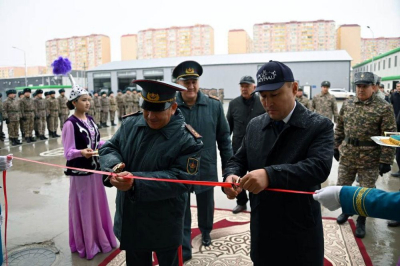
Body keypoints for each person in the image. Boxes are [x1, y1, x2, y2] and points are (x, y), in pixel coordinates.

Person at [223, 60, 334, 265]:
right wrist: (230, 176)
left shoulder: (319, 125)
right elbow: (238, 159)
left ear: (293, 88)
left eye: (275, 95)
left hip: (299, 229)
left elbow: (318, 167)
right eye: (263, 97)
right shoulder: (255, 125)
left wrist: (269, 175)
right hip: (263, 227)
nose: (268, 103)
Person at [99, 79, 203, 266]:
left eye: (157, 110)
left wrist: (136, 183)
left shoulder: (188, 140)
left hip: (164, 222)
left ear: (172, 107)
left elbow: (182, 179)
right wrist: (114, 167)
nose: (150, 116)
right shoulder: (131, 124)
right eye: (147, 109)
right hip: (131, 218)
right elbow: (109, 148)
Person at [173, 60, 232, 260]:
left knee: (206, 203)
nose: (190, 86)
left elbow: (224, 140)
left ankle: (206, 231)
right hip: (179, 167)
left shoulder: (213, 105)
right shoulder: (170, 106)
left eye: (194, 82)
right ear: (178, 83)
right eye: (186, 82)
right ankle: (184, 239)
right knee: (182, 206)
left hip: (205, 165)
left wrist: (228, 170)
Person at [334, 72, 396, 238]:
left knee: (366, 191)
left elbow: (390, 136)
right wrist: (335, 145)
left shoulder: (384, 107)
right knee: (343, 186)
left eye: (365, 86)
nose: (361, 89)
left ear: (373, 87)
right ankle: (346, 211)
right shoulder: (347, 104)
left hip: (370, 157)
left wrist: (386, 160)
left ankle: (362, 220)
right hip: (348, 154)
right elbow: (339, 127)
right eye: (358, 86)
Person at [62, 83, 117, 259]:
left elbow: (96, 143)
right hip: (81, 174)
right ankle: (87, 244)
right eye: (83, 100)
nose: (87, 103)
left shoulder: (91, 120)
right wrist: (81, 152)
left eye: (88, 100)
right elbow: (68, 152)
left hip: (95, 170)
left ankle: (102, 239)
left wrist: (108, 143)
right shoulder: (70, 124)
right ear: (74, 103)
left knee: (98, 206)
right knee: (85, 208)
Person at [226, 75, 265, 214]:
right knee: (238, 178)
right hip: (238, 148)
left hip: (259, 148)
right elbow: (228, 127)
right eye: (242, 86)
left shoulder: (262, 102)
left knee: (257, 178)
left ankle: (259, 203)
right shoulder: (233, 104)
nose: (244, 88)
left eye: (247, 86)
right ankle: (241, 202)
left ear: (254, 87)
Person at [390, 81, 400, 177]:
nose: (398, 88)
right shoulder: (394, 95)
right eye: (397, 86)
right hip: (396, 121)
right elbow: (390, 105)